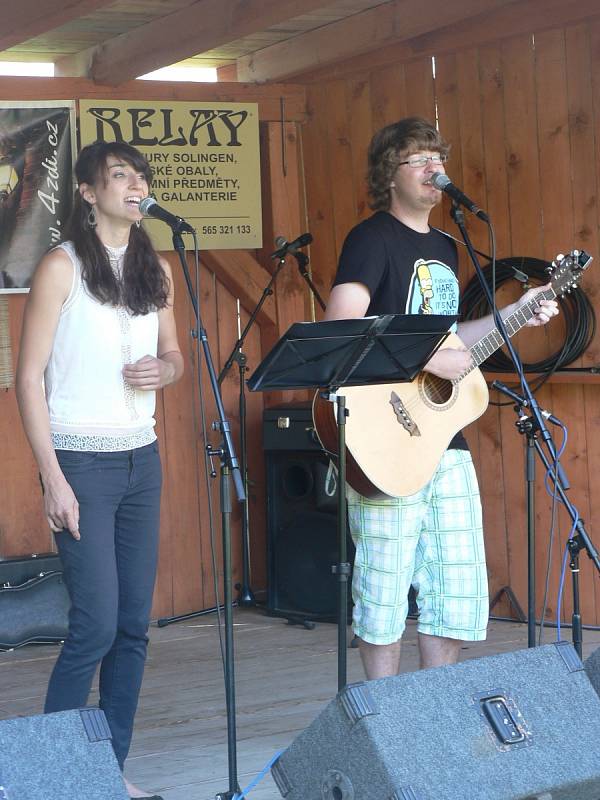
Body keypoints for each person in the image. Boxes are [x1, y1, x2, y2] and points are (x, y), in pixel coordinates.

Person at [324, 117, 559, 680]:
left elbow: (454, 344)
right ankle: (385, 721)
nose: (436, 171)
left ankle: (436, 717)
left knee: (457, 586)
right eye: (419, 160)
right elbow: (341, 327)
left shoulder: (448, 248)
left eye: (438, 159)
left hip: (442, 440)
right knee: (383, 586)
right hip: (384, 438)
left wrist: (517, 314)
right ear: (390, 173)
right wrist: (428, 356)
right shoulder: (371, 238)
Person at [16, 141, 184, 800]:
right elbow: (29, 378)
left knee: (135, 626)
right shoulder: (61, 267)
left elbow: (174, 355)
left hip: (141, 459)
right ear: (87, 191)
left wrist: (164, 370)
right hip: (80, 461)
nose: (134, 184)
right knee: (96, 624)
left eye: (140, 175)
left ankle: (106, 773)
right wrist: (52, 478)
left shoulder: (158, 268)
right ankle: (52, 773)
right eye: (120, 175)